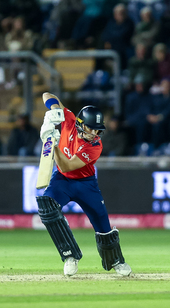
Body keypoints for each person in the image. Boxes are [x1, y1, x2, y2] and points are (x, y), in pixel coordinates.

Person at [36, 92, 131, 277]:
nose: (94, 134)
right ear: (80, 124)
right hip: (62, 181)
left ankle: (116, 261)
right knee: (47, 206)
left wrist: (52, 142)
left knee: (103, 226)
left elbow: (67, 164)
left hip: (86, 184)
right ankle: (70, 256)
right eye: (91, 129)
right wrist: (54, 112)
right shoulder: (69, 120)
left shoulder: (95, 146)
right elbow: (47, 94)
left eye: (97, 130)